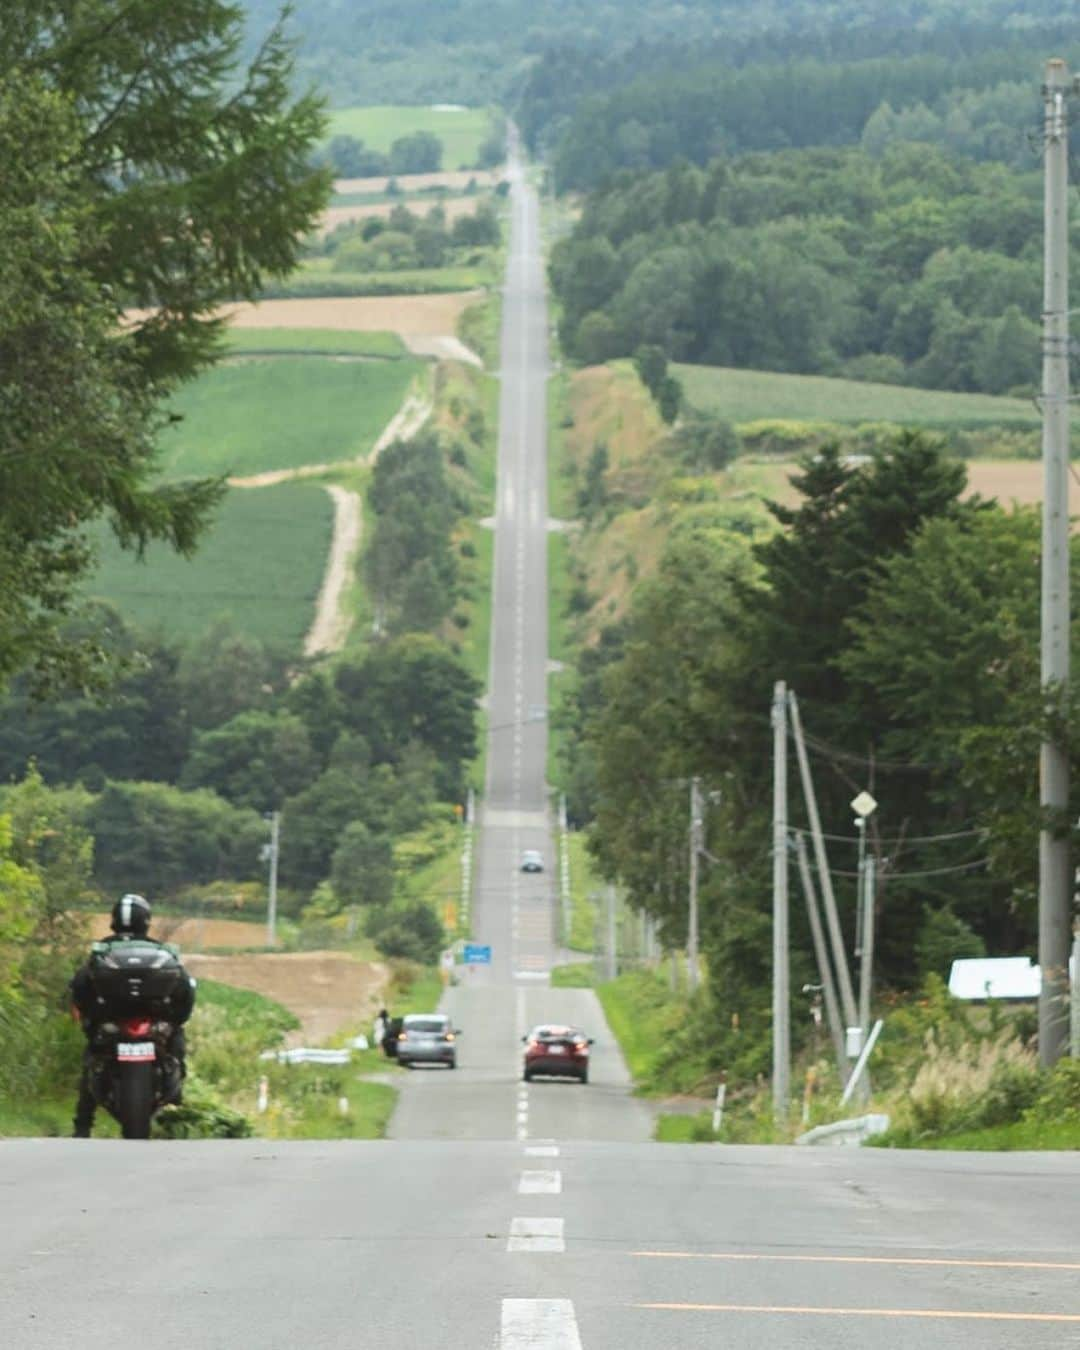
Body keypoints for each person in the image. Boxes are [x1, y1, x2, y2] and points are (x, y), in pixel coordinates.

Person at [69, 894, 196, 1138]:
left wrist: (90, 1021)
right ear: (145, 921)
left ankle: (82, 1125)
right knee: (177, 1046)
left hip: (109, 1021)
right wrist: (175, 1021)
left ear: (114, 920)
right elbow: (185, 991)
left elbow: (79, 987)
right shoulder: (158, 952)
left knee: (91, 1062)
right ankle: (177, 1102)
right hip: (155, 1023)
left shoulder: (102, 952)